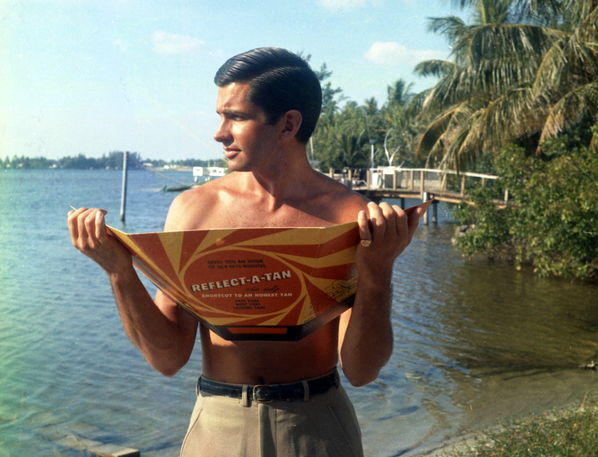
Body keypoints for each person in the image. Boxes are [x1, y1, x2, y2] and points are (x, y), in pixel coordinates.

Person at [68, 47, 425, 457]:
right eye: (221, 115)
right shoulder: (195, 210)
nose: (220, 133)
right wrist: (120, 272)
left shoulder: (349, 216)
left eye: (236, 117)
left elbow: (362, 370)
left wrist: (378, 271)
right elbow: (167, 358)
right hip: (218, 426)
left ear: (288, 124)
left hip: (317, 425)